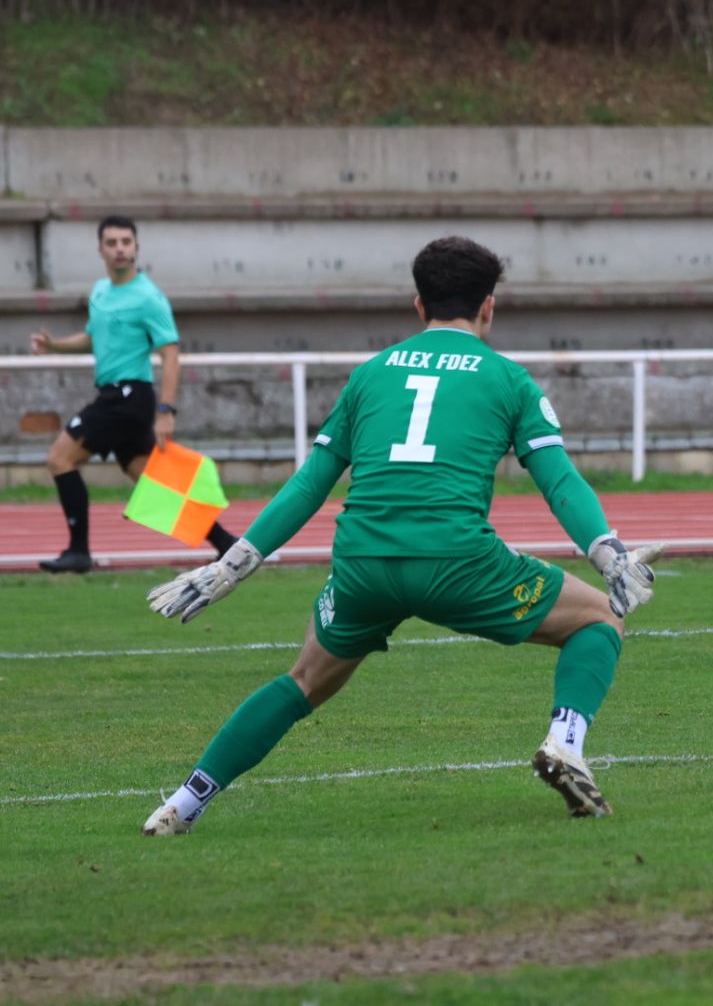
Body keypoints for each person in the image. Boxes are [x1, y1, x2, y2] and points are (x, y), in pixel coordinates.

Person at [140, 235, 661, 832]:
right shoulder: (511, 381)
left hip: (363, 565)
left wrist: (230, 566)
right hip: (457, 563)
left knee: (303, 681)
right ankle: (564, 744)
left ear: (418, 306)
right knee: (599, 618)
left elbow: (310, 484)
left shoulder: (369, 376)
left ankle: (184, 802)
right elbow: (559, 481)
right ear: (488, 306)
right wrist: (608, 553)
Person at [30, 216, 239, 572]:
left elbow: (171, 356)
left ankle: (78, 552)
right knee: (156, 481)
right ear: (101, 250)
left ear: (136, 247)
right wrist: (55, 346)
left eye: (126, 241)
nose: (120, 249)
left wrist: (167, 410)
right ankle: (226, 543)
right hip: (114, 396)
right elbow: (92, 336)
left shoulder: (148, 298)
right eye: (111, 243)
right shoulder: (99, 291)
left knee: (59, 458)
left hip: (129, 398)